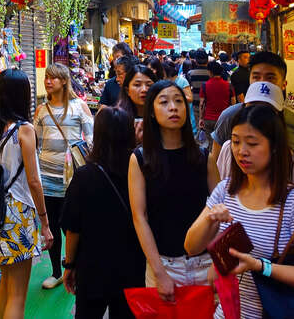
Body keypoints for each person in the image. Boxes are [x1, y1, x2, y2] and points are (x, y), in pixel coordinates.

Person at [185, 104, 294, 319]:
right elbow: (191, 247)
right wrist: (209, 217)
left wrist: (261, 267)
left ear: (275, 147)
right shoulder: (225, 190)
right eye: (235, 141)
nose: (242, 151)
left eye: (252, 143)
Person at [0, 69, 53, 319]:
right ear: (22, 96)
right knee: (18, 293)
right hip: (18, 213)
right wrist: (45, 223)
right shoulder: (24, 130)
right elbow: (34, 181)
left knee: (7, 283)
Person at [129, 79, 211, 302]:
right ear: (152, 113)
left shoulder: (203, 157)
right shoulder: (140, 159)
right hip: (164, 264)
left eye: (179, 101)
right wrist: (159, 273)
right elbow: (139, 217)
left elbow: (220, 209)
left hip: (207, 265)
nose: (173, 107)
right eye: (164, 102)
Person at [61, 107, 144, 318]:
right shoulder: (141, 171)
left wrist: (69, 265)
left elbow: (73, 229)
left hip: (92, 268)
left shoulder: (84, 175)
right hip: (132, 268)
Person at [209, 51, 294, 194]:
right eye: (256, 77)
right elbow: (215, 167)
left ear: (284, 84)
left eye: (270, 77)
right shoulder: (229, 118)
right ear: (250, 79)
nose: (263, 83)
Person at [34, 63, 93, 289]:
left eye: (54, 78)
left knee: (72, 225)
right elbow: (36, 144)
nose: (48, 82)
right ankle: (57, 271)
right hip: (47, 176)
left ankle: (75, 266)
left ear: (64, 81)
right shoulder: (41, 110)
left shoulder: (79, 107)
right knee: (53, 225)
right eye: (47, 78)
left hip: (73, 179)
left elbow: (91, 141)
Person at [116, 65, 156, 143]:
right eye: (137, 85)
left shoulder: (161, 116)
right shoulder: (117, 118)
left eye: (149, 85)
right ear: (127, 91)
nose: (144, 90)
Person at [200, 60, 235, 137]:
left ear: (210, 72)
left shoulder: (204, 86)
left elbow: (202, 104)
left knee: (211, 143)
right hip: (224, 119)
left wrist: (201, 118)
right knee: (224, 142)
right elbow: (233, 103)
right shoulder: (229, 85)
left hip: (209, 119)